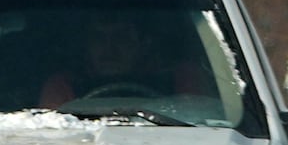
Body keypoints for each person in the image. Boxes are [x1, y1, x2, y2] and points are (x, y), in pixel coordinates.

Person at [40, 16, 204, 108]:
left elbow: (203, 126)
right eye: (99, 38)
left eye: (122, 38)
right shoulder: (64, 86)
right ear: (87, 45)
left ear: (143, 43)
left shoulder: (179, 79)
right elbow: (53, 139)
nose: (109, 49)